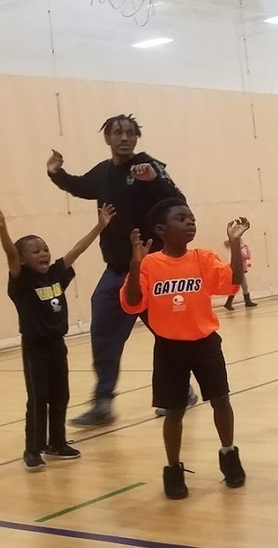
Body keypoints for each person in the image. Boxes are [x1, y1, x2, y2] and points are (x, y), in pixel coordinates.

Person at [46, 114, 193, 427]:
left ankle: (180, 391)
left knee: (168, 334)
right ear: (108, 139)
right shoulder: (104, 172)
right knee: (103, 335)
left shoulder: (148, 166)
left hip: (152, 270)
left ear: (136, 137)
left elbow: (179, 203)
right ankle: (102, 403)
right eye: (117, 133)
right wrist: (56, 174)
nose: (124, 138)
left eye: (129, 133)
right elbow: (80, 186)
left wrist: (156, 180)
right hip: (116, 271)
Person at [120, 200, 249, 500]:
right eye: (181, 219)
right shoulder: (150, 264)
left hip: (205, 343)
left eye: (192, 218)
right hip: (169, 348)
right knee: (174, 412)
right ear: (162, 230)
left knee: (221, 401)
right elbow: (132, 302)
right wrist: (135, 263)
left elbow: (234, 280)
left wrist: (234, 244)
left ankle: (229, 455)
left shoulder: (204, 258)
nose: (190, 222)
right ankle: (173, 469)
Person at [0, 203, 113, 471]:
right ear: (23, 260)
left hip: (56, 346)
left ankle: (57, 443)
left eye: (45, 249)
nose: (43, 254)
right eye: (36, 251)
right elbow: (9, 253)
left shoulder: (54, 274)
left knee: (60, 395)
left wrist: (100, 226)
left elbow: (77, 249)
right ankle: (32, 449)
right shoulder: (22, 281)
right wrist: (3, 229)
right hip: (35, 348)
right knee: (38, 398)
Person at [223, 239, 256, 309]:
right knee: (243, 287)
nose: (243, 244)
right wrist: (248, 249)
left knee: (237, 287)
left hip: (240, 271)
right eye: (241, 243)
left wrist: (247, 266)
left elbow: (241, 262)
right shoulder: (239, 252)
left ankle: (229, 303)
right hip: (240, 272)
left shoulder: (237, 252)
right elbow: (247, 257)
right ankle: (247, 302)